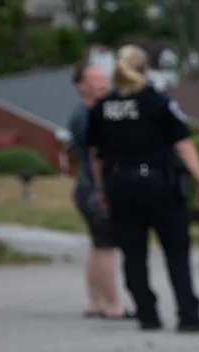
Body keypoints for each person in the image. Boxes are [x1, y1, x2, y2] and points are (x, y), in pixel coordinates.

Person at [86, 44, 199, 333]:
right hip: (158, 185)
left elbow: (96, 155)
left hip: (120, 185)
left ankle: (147, 314)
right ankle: (188, 315)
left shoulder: (102, 107)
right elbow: (182, 143)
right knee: (176, 250)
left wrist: (103, 188)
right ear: (146, 70)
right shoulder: (156, 102)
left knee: (133, 253)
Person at [68, 62, 136, 320]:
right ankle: (112, 304)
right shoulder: (87, 116)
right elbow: (100, 152)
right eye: (96, 80)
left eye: (104, 78)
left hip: (86, 187)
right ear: (82, 86)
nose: (103, 84)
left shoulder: (90, 112)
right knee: (107, 246)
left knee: (98, 246)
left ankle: (95, 301)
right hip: (95, 187)